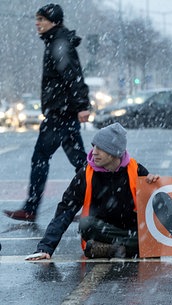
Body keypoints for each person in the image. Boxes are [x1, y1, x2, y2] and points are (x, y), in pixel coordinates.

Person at [4, 4, 92, 222]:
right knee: (81, 162)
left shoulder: (59, 44)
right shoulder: (56, 42)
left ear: (54, 22)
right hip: (62, 112)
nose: (38, 23)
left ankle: (32, 207)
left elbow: (73, 77)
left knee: (41, 158)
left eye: (42, 19)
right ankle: (97, 203)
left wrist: (82, 105)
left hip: (60, 114)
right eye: (37, 19)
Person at [25, 123, 160, 260]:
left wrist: (154, 188)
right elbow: (65, 209)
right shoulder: (85, 174)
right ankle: (128, 248)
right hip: (101, 230)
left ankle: (113, 249)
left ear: (115, 153)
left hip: (131, 230)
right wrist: (45, 247)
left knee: (151, 239)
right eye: (94, 146)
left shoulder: (136, 170)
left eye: (100, 148)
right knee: (85, 224)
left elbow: (157, 209)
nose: (94, 152)